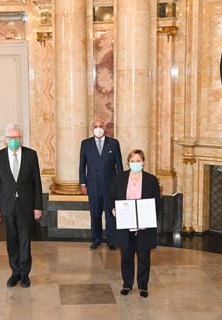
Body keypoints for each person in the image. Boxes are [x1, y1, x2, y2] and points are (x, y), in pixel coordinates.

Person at [0, 124, 42, 288]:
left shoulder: (31, 155)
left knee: (25, 240)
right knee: (11, 241)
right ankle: (15, 273)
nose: (14, 140)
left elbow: (37, 184)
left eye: (17, 137)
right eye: (11, 138)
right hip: (7, 206)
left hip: (26, 206)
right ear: (6, 140)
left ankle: (25, 274)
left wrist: (38, 207)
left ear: (21, 139)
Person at [107, 149, 160, 298]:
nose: (135, 164)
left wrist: (149, 220)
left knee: (144, 257)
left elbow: (156, 204)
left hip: (144, 227)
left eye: (138, 161)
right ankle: (127, 284)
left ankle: (143, 286)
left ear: (143, 162)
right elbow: (110, 198)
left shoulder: (151, 180)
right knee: (126, 258)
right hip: (125, 226)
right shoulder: (119, 178)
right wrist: (113, 210)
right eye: (132, 161)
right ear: (128, 163)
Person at [79, 119, 123, 250]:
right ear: (92, 129)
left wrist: (120, 184)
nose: (98, 128)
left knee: (111, 215)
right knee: (95, 214)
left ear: (105, 128)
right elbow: (82, 165)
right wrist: (82, 183)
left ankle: (111, 241)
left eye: (100, 126)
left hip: (110, 186)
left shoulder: (114, 143)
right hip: (93, 186)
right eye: (95, 126)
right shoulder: (86, 144)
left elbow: (119, 166)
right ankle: (96, 239)